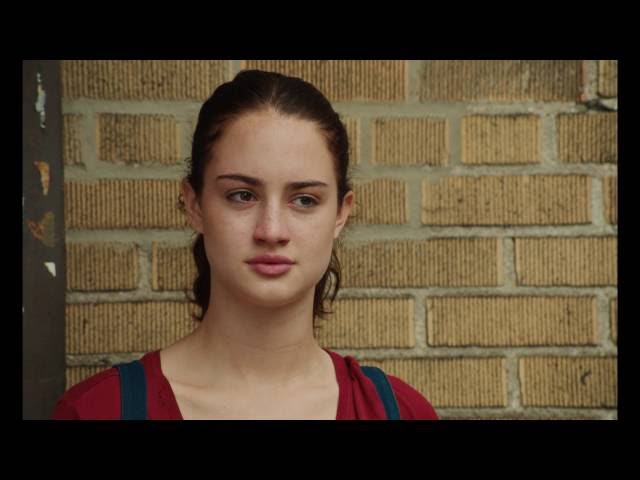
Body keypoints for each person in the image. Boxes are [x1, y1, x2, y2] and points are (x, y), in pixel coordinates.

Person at [52, 69, 439, 420]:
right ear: (195, 204)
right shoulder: (97, 410)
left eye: (305, 200)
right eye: (242, 195)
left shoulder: (400, 412)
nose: (271, 230)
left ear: (341, 213)